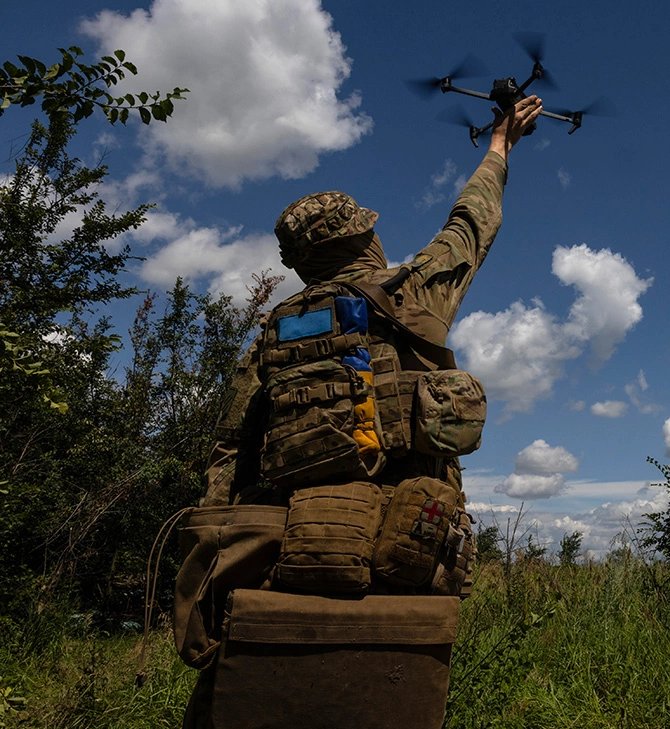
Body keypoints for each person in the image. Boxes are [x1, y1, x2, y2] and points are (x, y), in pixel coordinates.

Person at [180, 94, 544, 729]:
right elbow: (471, 224)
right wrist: (499, 146)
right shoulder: (413, 293)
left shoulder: (273, 333)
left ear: (300, 263)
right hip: (406, 543)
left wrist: (222, 557)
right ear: (364, 238)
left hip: (294, 545)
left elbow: (228, 454)